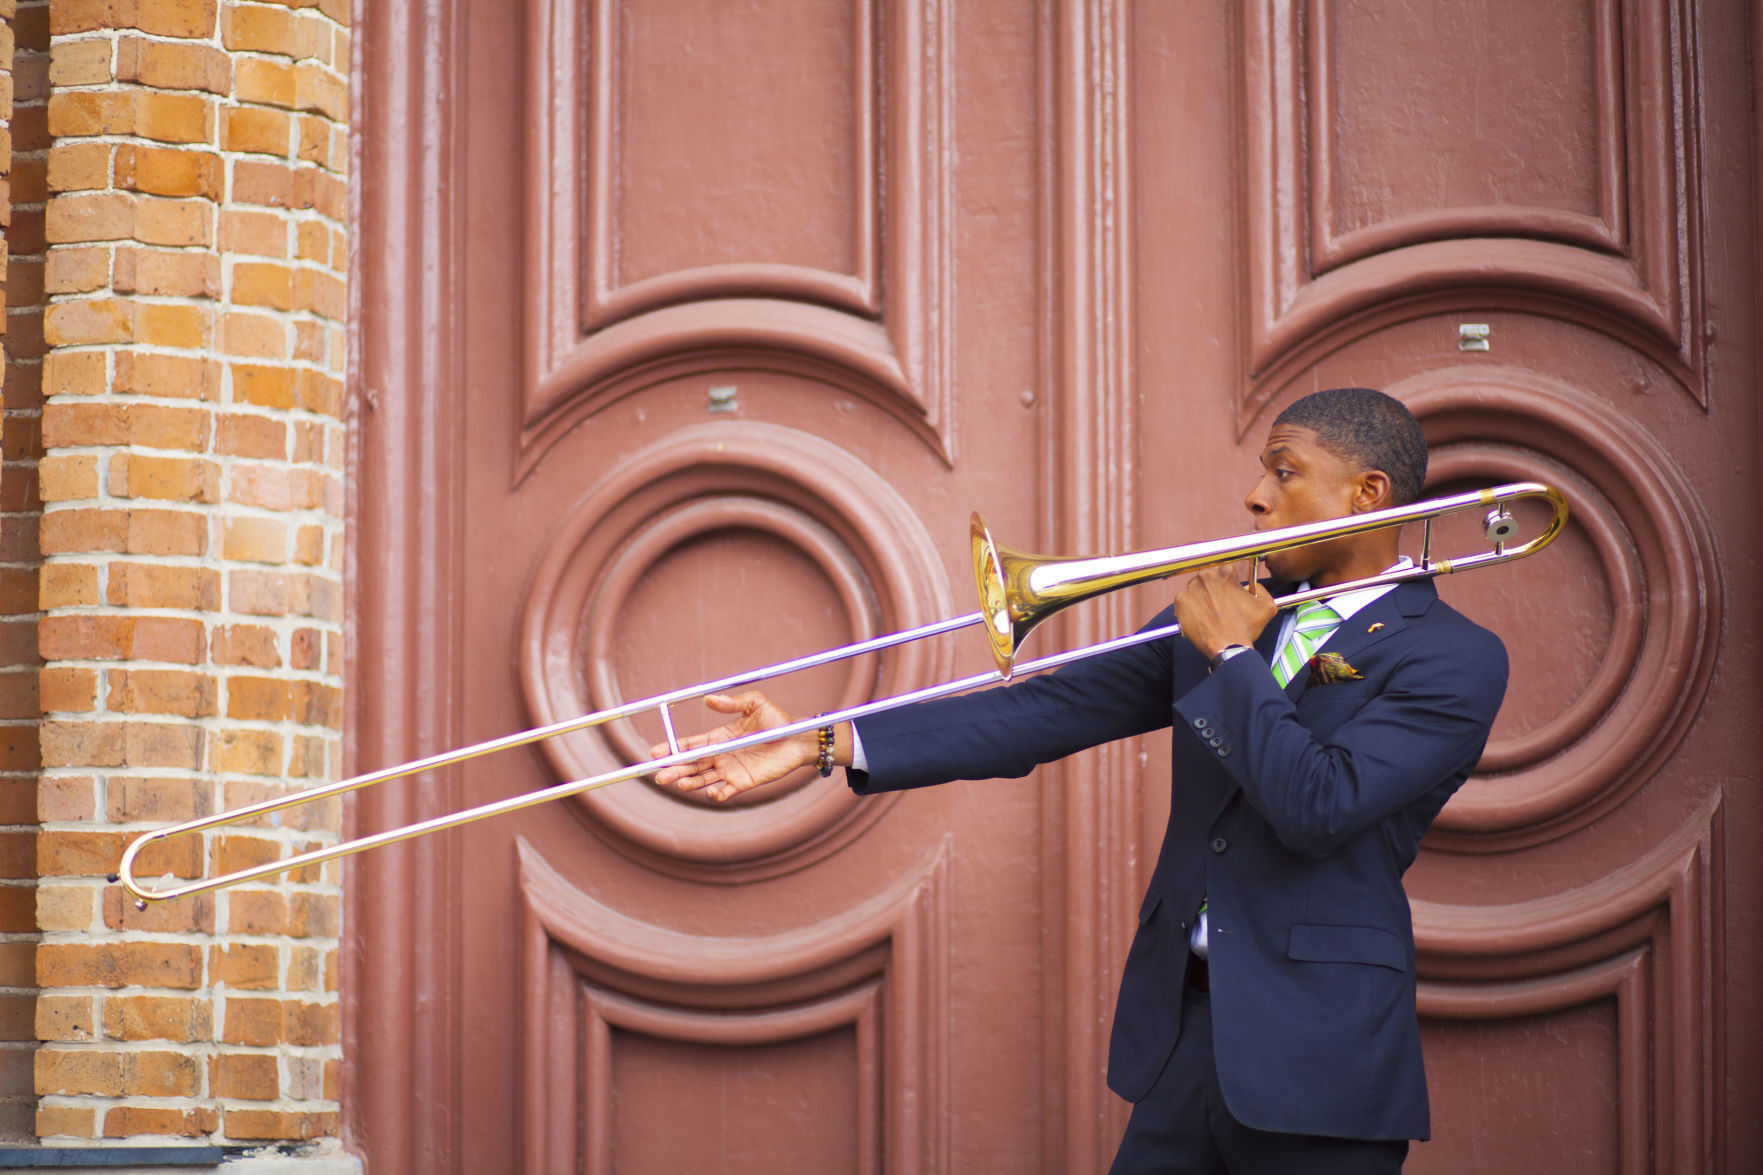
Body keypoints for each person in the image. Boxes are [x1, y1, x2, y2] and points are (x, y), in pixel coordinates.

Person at [655, 387, 1508, 1174]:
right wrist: (817, 744)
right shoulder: (1224, 618)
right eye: (1261, 472)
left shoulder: (1453, 657)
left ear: (1366, 494)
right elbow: (1039, 713)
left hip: (1322, 1054)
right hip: (1180, 1037)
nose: (1254, 495)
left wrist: (1236, 656)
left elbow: (1318, 805)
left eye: (1283, 473)